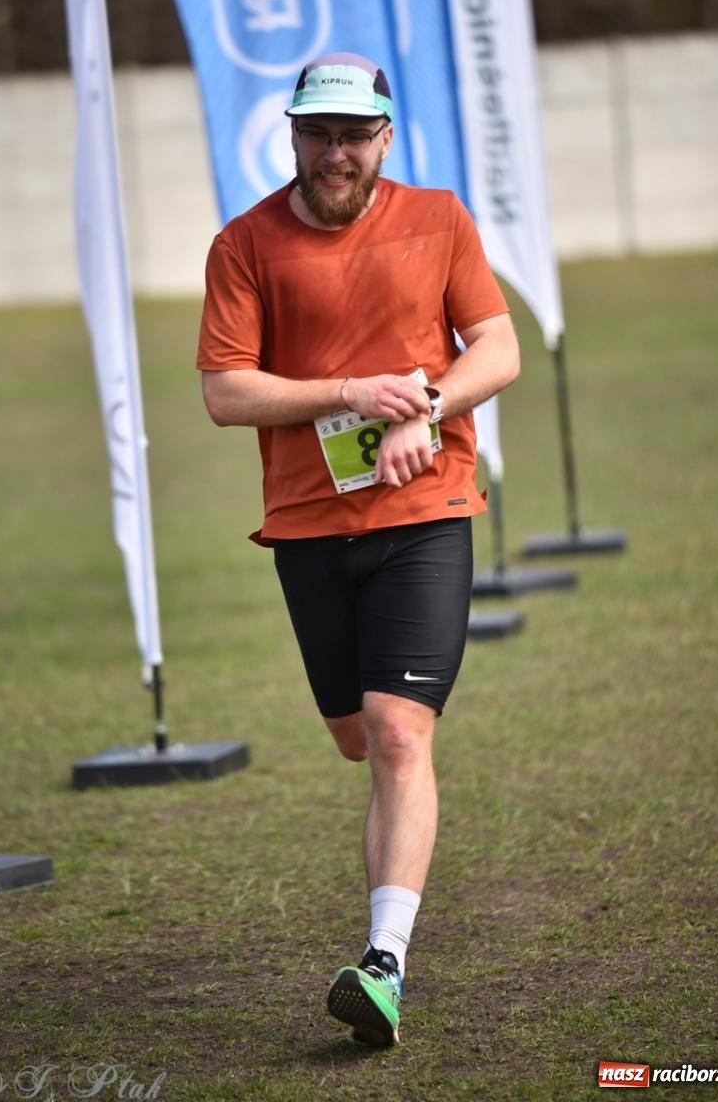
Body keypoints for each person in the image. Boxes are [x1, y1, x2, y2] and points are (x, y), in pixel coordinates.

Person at [197, 51, 520, 1048]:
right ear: (293, 134)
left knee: (396, 732)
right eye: (317, 133)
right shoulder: (245, 243)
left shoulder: (441, 219)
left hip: (426, 512)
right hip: (306, 525)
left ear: (386, 136)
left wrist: (427, 402)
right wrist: (350, 393)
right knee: (354, 736)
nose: (335, 154)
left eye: (354, 135)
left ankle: (384, 964)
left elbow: (496, 347)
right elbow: (224, 391)